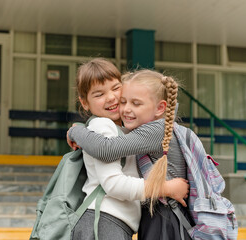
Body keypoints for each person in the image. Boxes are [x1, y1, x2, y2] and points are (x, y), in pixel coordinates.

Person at [67, 69, 195, 240]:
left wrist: (76, 132)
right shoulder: (139, 129)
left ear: (160, 108)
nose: (126, 109)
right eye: (124, 101)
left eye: (136, 103)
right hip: (139, 216)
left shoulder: (156, 129)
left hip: (166, 217)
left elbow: (106, 149)